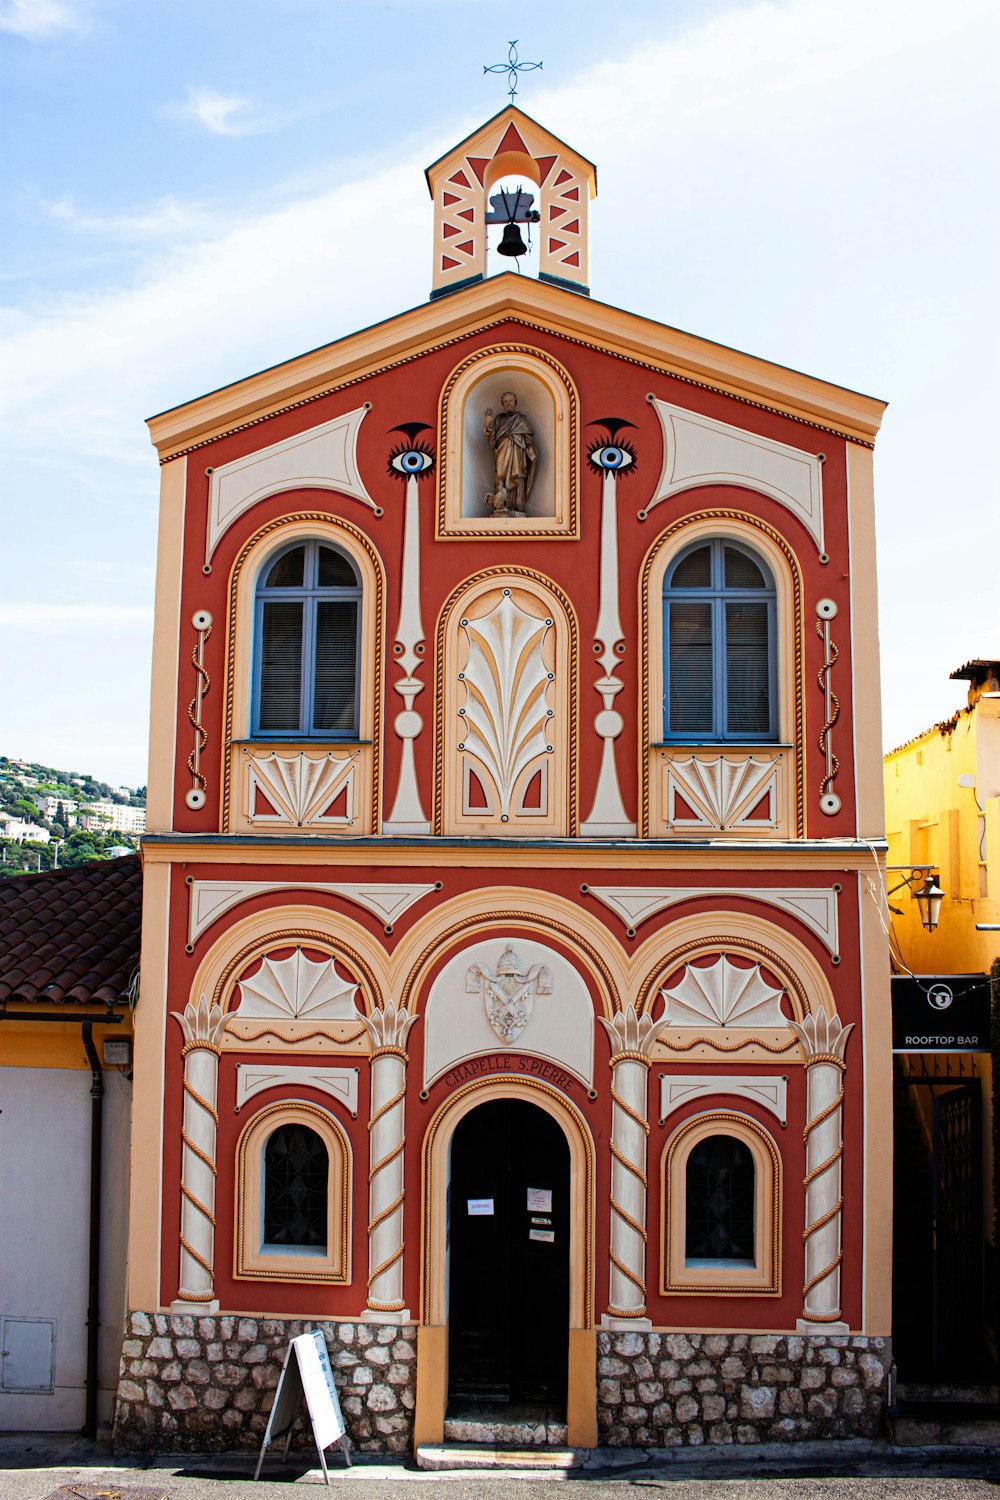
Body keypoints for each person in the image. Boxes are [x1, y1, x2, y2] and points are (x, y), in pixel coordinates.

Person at [483, 391, 538, 515]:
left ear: (515, 402)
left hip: (517, 453)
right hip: (502, 451)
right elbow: (492, 437)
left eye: (511, 401)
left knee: (517, 478)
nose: (509, 403)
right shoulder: (499, 419)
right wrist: (488, 421)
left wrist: (530, 449)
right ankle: (500, 506)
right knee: (500, 478)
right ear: (503, 404)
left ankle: (518, 507)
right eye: (506, 401)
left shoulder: (522, 420)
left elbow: (529, 440)